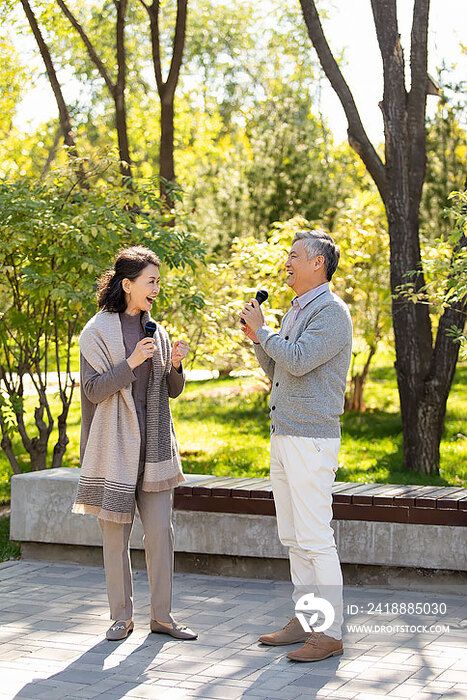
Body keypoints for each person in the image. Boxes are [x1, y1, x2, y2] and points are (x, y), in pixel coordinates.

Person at [73, 245, 197, 641]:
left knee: (161, 532)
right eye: (151, 281)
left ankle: (162, 616)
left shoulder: (156, 332)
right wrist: (130, 364)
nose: (157, 288)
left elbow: (171, 390)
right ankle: (120, 616)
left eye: (158, 281)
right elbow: (92, 391)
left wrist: (174, 364)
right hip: (114, 449)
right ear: (127, 285)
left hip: (155, 449)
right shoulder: (95, 333)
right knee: (115, 535)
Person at [240, 230, 352, 663]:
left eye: (294, 256)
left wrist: (266, 332)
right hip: (284, 433)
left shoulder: (331, 312)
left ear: (318, 263)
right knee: (293, 536)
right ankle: (307, 620)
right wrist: (258, 338)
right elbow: (279, 367)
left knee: (315, 537)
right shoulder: (296, 309)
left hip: (311, 438)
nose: (287, 262)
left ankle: (330, 633)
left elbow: (301, 359)